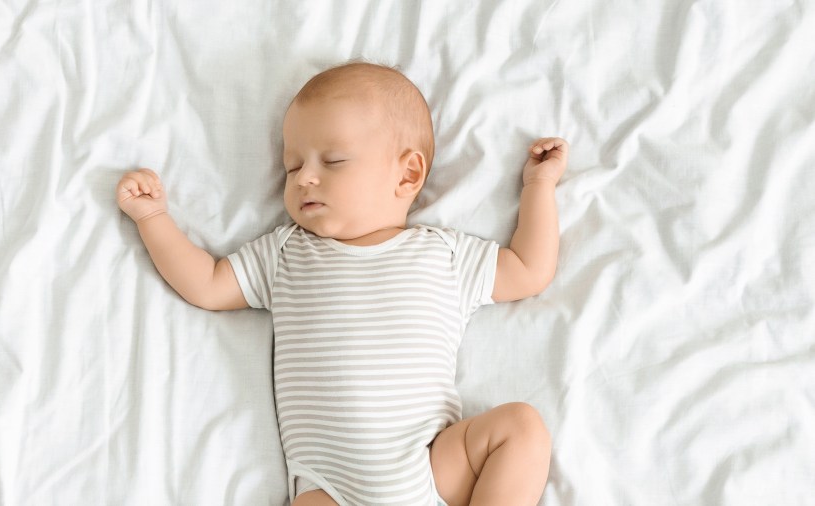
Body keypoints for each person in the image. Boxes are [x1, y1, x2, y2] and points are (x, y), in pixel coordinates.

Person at [116, 62, 567, 506]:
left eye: (333, 161)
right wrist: (153, 219)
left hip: (429, 464)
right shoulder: (286, 253)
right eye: (292, 167)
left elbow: (529, 268)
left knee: (522, 429)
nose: (304, 177)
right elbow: (208, 286)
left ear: (408, 174)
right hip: (331, 488)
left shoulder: (444, 255)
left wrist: (539, 187)